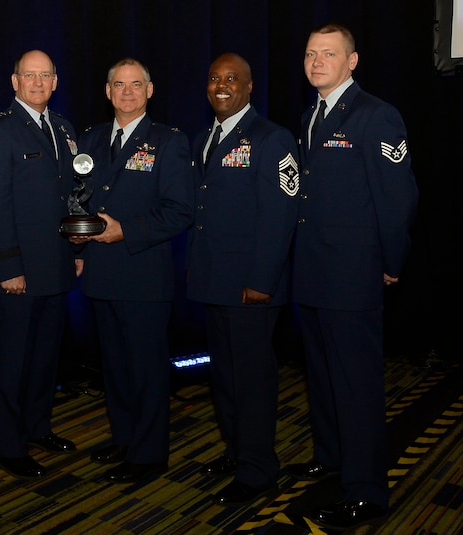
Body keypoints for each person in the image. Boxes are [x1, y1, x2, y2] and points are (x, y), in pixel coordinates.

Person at [290, 23, 418, 530]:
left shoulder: (376, 115)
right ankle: (332, 457)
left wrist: (392, 261)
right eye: (310, 54)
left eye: (329, 53)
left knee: (357, 385)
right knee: (322, 377)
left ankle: (367, 492)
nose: (317, 62)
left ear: (353, 61)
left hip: (352, 274)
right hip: (313, 272)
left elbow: (397, 198)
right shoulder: (310, 115)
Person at [71, 58, 194, 483]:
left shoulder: (169, 141)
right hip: (100, 273)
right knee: (116, 368)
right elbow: (79, 197)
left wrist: (125, 230)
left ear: (150, 90)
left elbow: (180, 211)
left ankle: (149, 454)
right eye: (119, 85)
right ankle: (124, 438)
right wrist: (76, 242)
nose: (127, 92)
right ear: (108, 92)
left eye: (136, 84)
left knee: (146, 370)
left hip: (143, 275)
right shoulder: (90, 139)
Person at [186, 53, 299, 504]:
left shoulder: (273, 138)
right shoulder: (204, 139)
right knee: (225, 377)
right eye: (214, 78)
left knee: (252, 381)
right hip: (214, 281)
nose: (222, 85)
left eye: (232, 79)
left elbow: (280, 215)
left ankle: (258, 470)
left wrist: (263, 280)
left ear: (250, 87)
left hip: (251, 286)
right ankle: (236, 450)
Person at [0, 50, 81, 480]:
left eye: (45, 75)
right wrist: (7, 267)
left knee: (44, 360)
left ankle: (37, 428)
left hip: (56, 266)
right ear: (15, 81)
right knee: (11, 364)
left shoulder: (64, 128)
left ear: (55, 82)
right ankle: (6, 446)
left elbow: (73, 195)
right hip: (16, 272)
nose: (37, 82)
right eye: (29, 75)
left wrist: (77, 252)